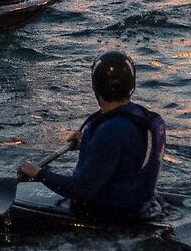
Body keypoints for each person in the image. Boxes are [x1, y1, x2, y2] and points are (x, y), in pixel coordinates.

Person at [15, 50, 163, 220]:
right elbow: (129, 156)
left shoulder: (112, 130)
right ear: (132, 84)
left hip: (113, 216)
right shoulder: (147, 118)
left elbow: (80, 190)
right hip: (142, 206)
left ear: (95, 86)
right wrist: (90, 144)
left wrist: (39, 173)